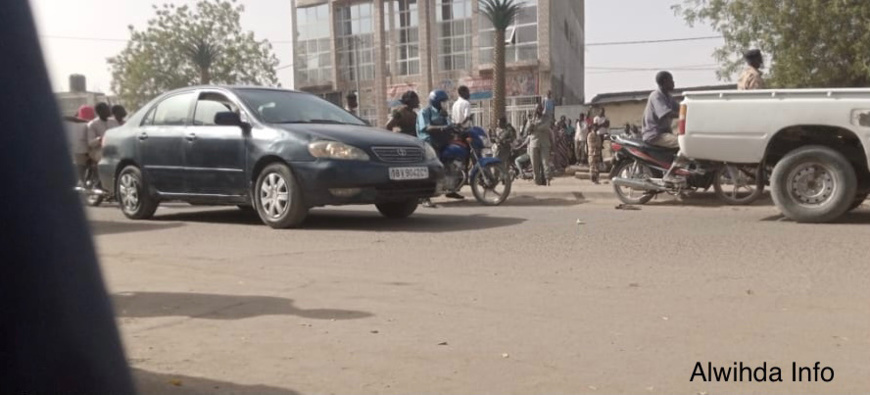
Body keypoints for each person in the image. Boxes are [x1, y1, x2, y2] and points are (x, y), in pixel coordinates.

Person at [417, 89, 464, 203]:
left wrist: (456, 127)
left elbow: (449, 124)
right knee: (434, 168)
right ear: (435, 102)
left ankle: (451, 189)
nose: (444, 104)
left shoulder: (443, 113)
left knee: (452, 160)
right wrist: (443, 128)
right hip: (430, 143)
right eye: (443, 102)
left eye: (445, 102)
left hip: (442, 141)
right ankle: (425, 197)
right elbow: (427, 128)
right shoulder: (425, 112)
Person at [642, 71, 679, 149]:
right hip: (655, 135)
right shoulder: (656, 96)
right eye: (671, 80)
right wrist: (684, 115)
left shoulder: (668, 96)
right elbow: (666, 114)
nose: (673, 82)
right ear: (665, 81)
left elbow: (680, 108)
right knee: (684, 143)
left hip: (665, 133)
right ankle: (679, 158)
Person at [66, 105, 95, 185]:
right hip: (91, 149)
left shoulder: (72, 123)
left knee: (80, 168)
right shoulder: (93, 123)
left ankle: (82, 182)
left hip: (79, 149)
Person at [528, 104, 552, 186]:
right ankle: (537, 180)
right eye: (537, 108)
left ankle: (547, 179)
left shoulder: (546, 118)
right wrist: (531, 124)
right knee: (534, 164)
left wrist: (535, 127)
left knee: (545, 162)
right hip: (533, 143)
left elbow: (546, 126)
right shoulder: (531, 119)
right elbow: (527, 130)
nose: (538, 110)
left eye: (540, 108)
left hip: (544, 143)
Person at [587, 108, 609, 184]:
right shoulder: (591, 135)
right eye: (595, 127)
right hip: (592, 153)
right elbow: (591, 144)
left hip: (597, 153)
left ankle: (596, 179)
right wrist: (598, 146)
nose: (596, 128)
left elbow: (599, 144)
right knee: (592, 167)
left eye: (597, 127)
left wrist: (600, 146)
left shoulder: (598, 136)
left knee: (597, 167)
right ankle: (593, 179)